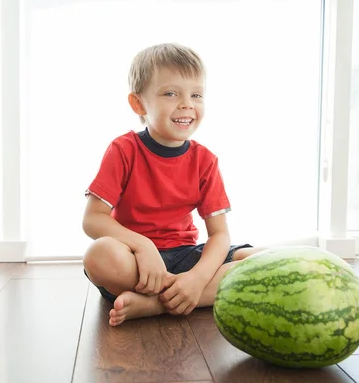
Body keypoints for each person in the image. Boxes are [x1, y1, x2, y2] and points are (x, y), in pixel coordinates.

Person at [82, 43, 264, 326]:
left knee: (263, 260)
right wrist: (143, 247)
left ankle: (159, 303)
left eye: (196, 95)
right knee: (99, 255)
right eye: (170, 93)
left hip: (185, 256)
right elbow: (93, 220)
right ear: (138, 104)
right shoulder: (123, 150)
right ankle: (182, 296)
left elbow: (219, 236)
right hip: (134, 263)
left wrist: (197, 276)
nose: (186, 104)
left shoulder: (205, 160)